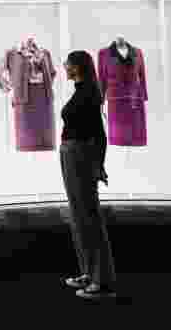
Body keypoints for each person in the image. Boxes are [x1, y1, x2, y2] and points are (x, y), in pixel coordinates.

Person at [60, 50, 117, 299]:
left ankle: (101, 280)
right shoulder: (81, 89)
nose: (64, 66)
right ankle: (88, 272)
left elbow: (99, 133)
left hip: (81, 155)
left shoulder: (91, 92)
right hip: (72, 153)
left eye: (68, 64)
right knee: (78, 215)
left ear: (78, 66)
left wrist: (99, 165)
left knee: (88, 216)